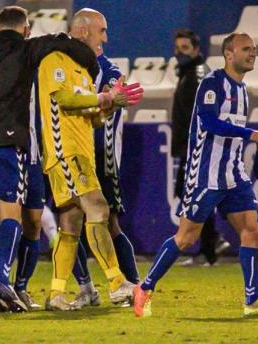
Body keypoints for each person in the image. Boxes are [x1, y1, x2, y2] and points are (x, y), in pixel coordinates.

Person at [135, 33, 258, 318]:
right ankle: (144, 288)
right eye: (246, 49)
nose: (252, 54)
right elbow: (209, 122)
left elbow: (231, 131)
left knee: (251, 229)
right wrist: (250, 134)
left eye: (254, 49)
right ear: (228, 55)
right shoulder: (212, 82)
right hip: (206, 173)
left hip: (233, 173)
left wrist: (248, 154)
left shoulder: (243, 90)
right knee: (186, 238)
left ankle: (252, 302)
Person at [0, 6, 98, 312]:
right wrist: (94, 68)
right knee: (12, 212)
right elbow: (71, 45)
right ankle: (1, 281)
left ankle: (0, 285)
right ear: (26, 29)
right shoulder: (28, 48)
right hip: (8, 141)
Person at [35, 9, 141, 311]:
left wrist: (109, 107)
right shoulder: (55, 60)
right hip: (64, 152)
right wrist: (103, 99)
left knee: (70, 225)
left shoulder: (85, 70)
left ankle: (56, 294)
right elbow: (62, 100)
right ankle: (117, 283)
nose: (105, 37)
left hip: (82, 153)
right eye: (102, 30)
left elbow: (89, 119)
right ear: (82, 31)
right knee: (99, 208)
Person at [69, 21, 142, 308]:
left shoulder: (109, 71)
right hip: (70, 152)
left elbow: (109, 102)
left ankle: (133, 286)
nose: (106, 38)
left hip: (101, 152)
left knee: (110, 221)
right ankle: (85, 288)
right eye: (102, 31)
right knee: (69, 220)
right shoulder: (64, 65)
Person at [170, 29, 226, 266]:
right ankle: (211, 243)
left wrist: (196, 143)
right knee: (188, 193)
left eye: (185, 48)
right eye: (177, 48)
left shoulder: (198, 75)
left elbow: (205, 111)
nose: (180, 52)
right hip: (189, 145)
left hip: (197, 146)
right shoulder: (188, 73)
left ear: (196, 49)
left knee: (192, 193)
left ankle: (210, 245)